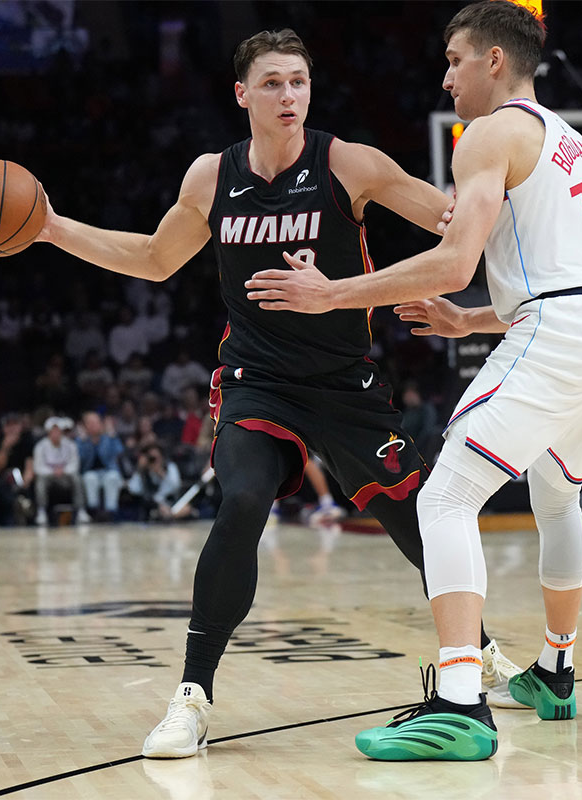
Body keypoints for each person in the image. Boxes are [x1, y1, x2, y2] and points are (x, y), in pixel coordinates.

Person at [29, 28, 521, 759]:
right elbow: (155, 259)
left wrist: (508, 270)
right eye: (272, 84)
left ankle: (475, 650)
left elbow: (459, 224)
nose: (289, 95)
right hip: (258, 384)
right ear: (242, 94)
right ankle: (193, 696)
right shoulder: (211, 177)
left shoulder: (347, 163)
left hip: (346, 385)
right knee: (242, 500)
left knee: (419, 521)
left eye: (298, 82)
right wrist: (49, 226)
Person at [245, 1, 582, 760]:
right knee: (556, 495)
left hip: (565, 332)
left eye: (455, 58)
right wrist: (471, 324)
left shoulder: (490, 133)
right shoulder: (568, 142)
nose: (446, 76)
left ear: (494, 61)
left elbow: (457, 263)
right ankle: (556, 670)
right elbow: (569, 276)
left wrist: (332, 292)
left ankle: (462, 700)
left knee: (445, 495)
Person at [31, 417, 91, 525]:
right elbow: (38, 468)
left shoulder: (70, 445)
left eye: (58, 430)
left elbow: (75, 464)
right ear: (48, 432)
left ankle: (81, 511)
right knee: (40, 481)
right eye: (53, 430)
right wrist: (53, 471)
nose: (56, 433)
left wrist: (63, 470)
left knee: (77, 478)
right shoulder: (40, 446)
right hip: (49, 478)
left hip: (65, 477)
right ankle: (41, 511)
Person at [77, 411, 125, 521]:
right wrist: (85, 443)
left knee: (112, 477)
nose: (94, 425)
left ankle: (110, 512)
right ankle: (93, 511)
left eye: (96, 422)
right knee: (90, 478)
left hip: (108, 471)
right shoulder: (81, 441)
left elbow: (119, 451)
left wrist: (112, 435)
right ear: (85, 426)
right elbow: (81, 459)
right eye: (90, 423)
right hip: (90, 473)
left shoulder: (109, 437)